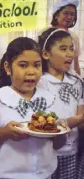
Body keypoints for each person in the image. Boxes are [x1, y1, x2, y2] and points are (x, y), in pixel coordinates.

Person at [0, 37, 67, 179]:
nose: (31, 72)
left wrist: (61, 133)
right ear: (8, 68)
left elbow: (57, 145)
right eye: (23, 65)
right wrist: (5, 133)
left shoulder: (51, 99)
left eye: (37, 65)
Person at [37, 27, 84, 179]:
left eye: (71, 48)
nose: (70, 54)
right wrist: (73, 121)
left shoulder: (76, 82)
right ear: (46, 54)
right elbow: (40, 123)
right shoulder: (39, 82)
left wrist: (76, 120)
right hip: (44, 153)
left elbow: (81, 119)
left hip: (71, 152)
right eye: (63, 49)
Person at [51, 0, 81, 75]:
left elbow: (75, 64)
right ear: (57, 14)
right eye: (65, 13)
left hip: (69, 79)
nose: (69, 17)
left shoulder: (74, 37)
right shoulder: (45, 34)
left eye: (72, 14)